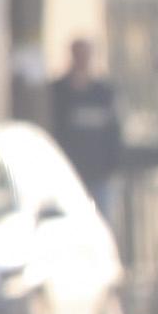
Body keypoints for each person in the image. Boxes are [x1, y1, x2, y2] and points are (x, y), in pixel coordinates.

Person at [46, 39, 123, 223]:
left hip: (100, 175)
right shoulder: (59, 91)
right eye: (78, 54)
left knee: (102, 223)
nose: (82, 59)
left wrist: (113, 165)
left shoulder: (103, 92)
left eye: (86, 55)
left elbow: (114, 132)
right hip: (69, 176)